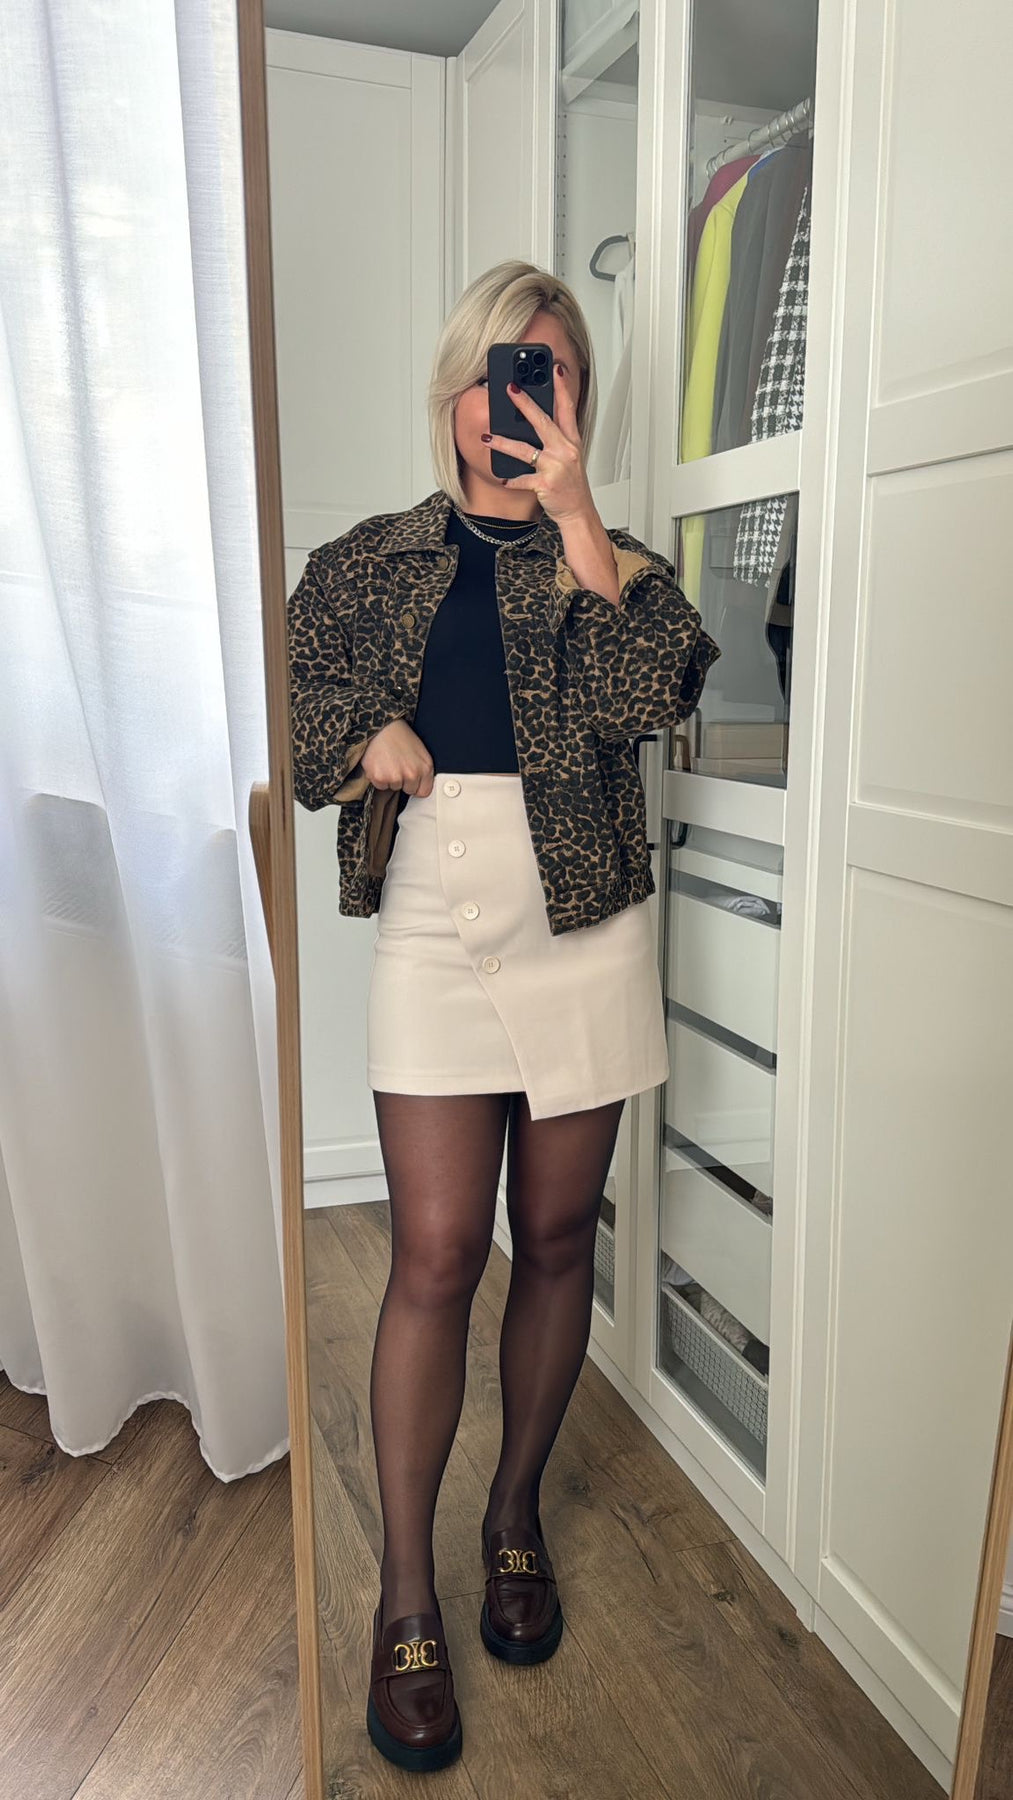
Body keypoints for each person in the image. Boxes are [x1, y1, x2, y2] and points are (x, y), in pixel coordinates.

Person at [286, 261, 720, 1774]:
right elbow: (303, 715)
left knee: (553, 1237)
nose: (509, 401)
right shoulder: (366, 562)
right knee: (433, 1253)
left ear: (577, 401)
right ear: (452, 393)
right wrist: (367, 738)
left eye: (544, 373)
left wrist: (580, 514)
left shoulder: (617, 565)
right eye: (490, 371)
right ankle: (406, 1595)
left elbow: (652, 695)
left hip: (580, 919)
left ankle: (514, 1513)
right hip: (435, 910)